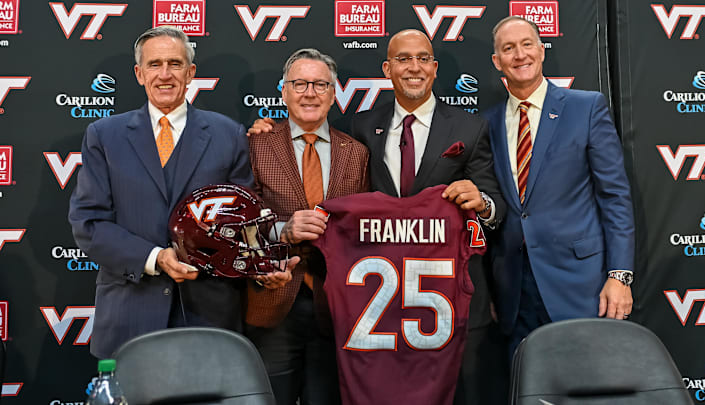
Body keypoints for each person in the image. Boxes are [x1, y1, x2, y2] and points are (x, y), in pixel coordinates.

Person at [68, 26, 294, 359]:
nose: (164, 74)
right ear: (139, 73)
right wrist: (155, 258)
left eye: (174, 64)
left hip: (209, 318)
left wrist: (262, 267)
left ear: (190, 73)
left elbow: (244, 223)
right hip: (131, 316)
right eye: (154, 64)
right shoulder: (104, 135)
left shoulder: (228, 134)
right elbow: (89, 223)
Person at [350, 29, 507, 405]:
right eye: (403, 59)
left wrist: (481, 201)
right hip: (381, 298)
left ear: (435, 68)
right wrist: (268, 133)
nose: (414, 67)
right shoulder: (358, 126)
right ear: (388, 69)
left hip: (450, 295)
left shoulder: (470, 128)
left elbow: (495, 207)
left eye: (422, 58)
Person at [484, 16, 635, 356]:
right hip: (514, 292)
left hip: (581, 285)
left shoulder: (585, 107)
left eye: (526, 44)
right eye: (508, 49)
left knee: (586, 385)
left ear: (541, 50)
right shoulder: (487, 122)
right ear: (497, 62)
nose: (519, 55)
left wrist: (620, 276)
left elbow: (615, 198)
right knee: (527, 388)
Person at [243, 48, 369, 405]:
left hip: (338, 306)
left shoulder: (356, 153)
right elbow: (237, 222)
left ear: (334, 93)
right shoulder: (255, 145)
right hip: (274, 300)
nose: (309, 93)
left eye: (320, 84)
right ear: (283, 91)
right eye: (299, 84)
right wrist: (282, 229)